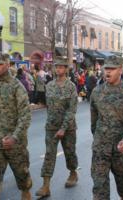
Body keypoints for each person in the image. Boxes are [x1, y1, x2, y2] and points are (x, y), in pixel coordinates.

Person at [0, 52, 32, 200]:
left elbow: (25, 116)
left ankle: (25, 191)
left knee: (21, 174)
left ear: (7, 65)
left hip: (15, 143)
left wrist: (15, 137)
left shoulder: (17, 87)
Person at [90, 56, 123, 200]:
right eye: (106, 68)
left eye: (112, 69)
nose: (108, 72)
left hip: (121, 149)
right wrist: (99, 138)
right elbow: (94, 121)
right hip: (101, 148)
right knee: (99, 188)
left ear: (120, 70)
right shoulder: (96, 93)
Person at [36, 59, 79, 198]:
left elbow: (72, 110)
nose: (59, 69)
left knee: (69, 152)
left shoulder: (71, 86)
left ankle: (73, 173)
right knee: (49, 154)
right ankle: (46, 185)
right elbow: (48, 106)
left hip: (68, 128)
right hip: (52, 127)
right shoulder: (49, 85)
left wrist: (63, 128)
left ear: (66, 69)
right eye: (57, 67)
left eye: (61, 67)